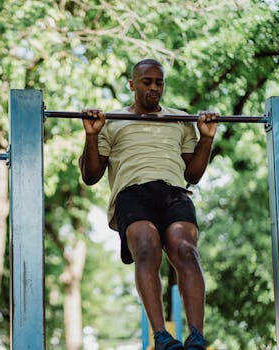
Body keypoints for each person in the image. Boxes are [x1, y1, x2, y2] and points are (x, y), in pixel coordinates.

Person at [79, 58, 218, 350]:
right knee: (146, 245)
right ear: (132, 84)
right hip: (132, 194)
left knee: (186, 250)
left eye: (159, 82)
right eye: (147, 81)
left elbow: (193, 174)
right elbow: (91, 175)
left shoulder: (178, 119)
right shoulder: (112, 121)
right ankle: (162, 337)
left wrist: (206, 139)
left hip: (173, 192)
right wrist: (91, 135)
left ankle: (196, 337)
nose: (154, 87)